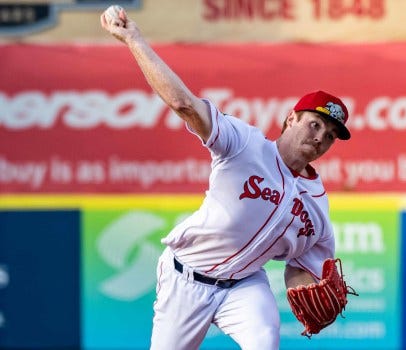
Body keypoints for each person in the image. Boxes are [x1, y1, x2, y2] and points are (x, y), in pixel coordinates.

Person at [101, 6, 352, 350]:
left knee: (265, 339)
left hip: (244, 285)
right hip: (185, 278)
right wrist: (134, 39)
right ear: (291, 119)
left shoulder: (317, 209)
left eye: (330, 135)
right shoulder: (244, 144)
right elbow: (184, 104)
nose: (321, 137)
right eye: (315, 124)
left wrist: (307, 289)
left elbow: (300, 269)